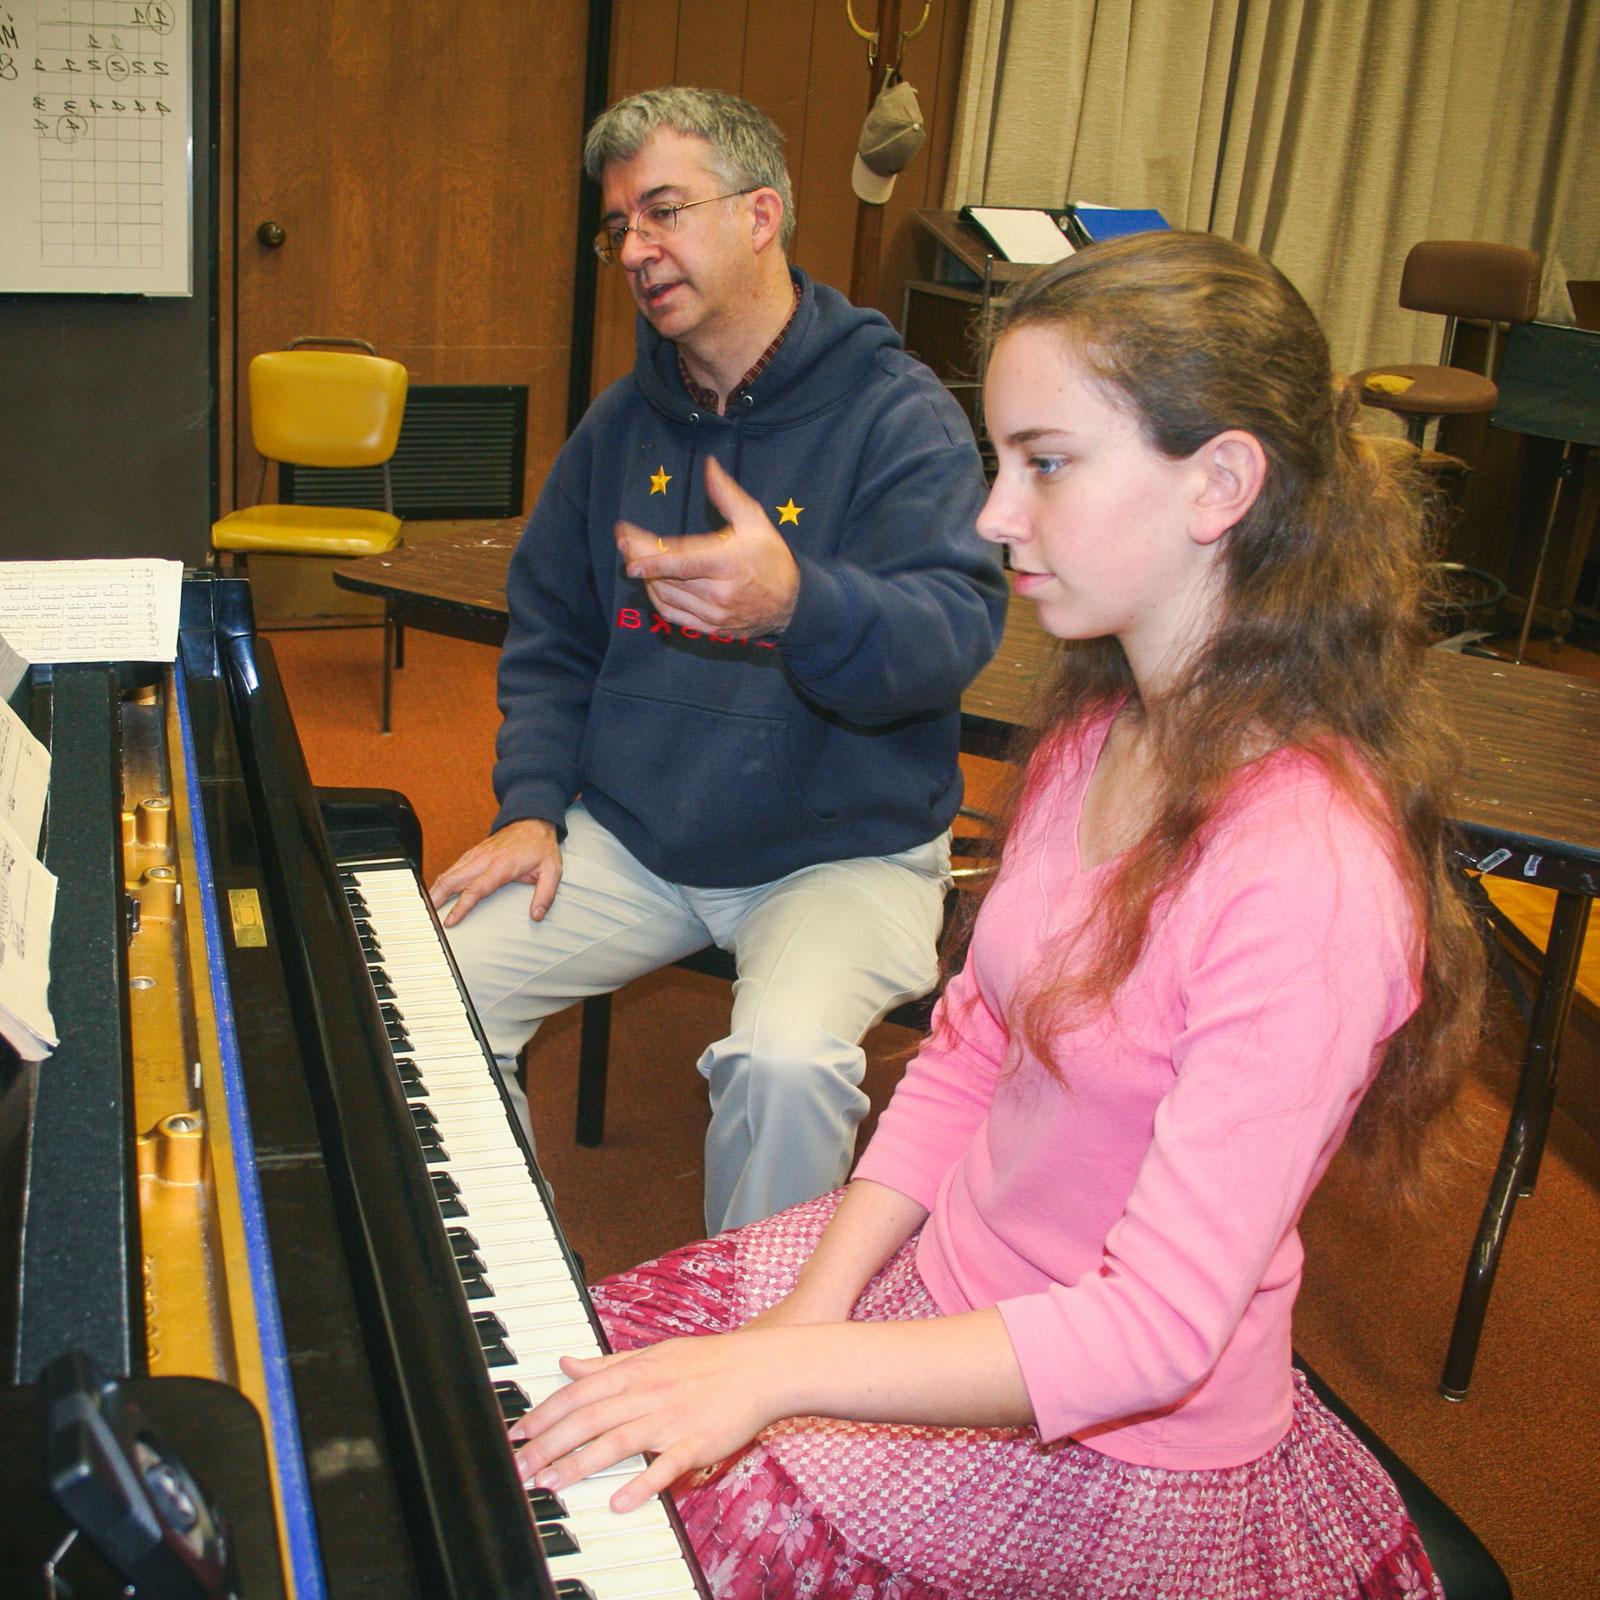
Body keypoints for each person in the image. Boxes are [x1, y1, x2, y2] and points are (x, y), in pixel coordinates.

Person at [505, 230, 1487, 1599]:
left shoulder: (1310, 868)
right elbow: (972, 1052)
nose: (990, 516)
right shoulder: (1101, 733)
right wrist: (807, 1312)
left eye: (1047, 463)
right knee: (550, 1395)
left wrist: (782, 1371)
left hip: (1106, 1437)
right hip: (949, 1280)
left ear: (1219, 484)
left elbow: (1150, 1333)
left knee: (609, 1529)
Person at [429, 88, 1005, 1234]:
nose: (634, 250)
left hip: (843, 849)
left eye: (662, 211)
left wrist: (799, 603)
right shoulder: (619, 424)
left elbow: (952, 634)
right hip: (641, 834)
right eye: (617, 228)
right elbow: (551, 632)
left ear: (760, 216)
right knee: (429, 989)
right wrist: (532, 805)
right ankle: (506, 1286)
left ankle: (754, 1376)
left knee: (783, 1066)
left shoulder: (899, 417)